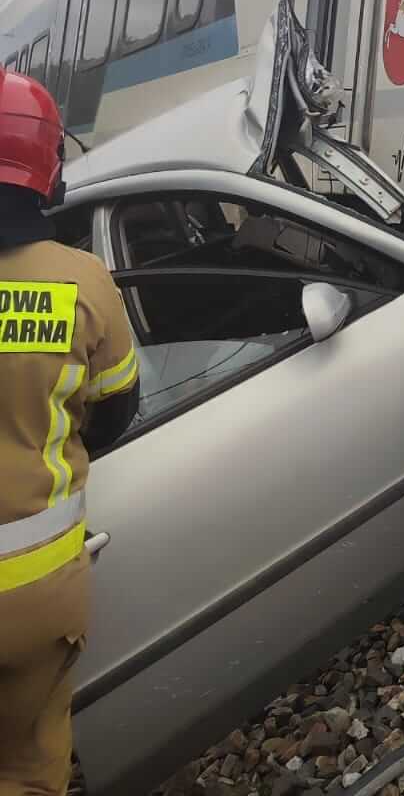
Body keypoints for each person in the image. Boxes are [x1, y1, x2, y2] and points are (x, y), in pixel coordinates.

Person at [0, 66, 140, 796]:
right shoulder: (83, 281)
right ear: (46, 166)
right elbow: (118, 408)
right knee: (28, 766)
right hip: (39, 599)